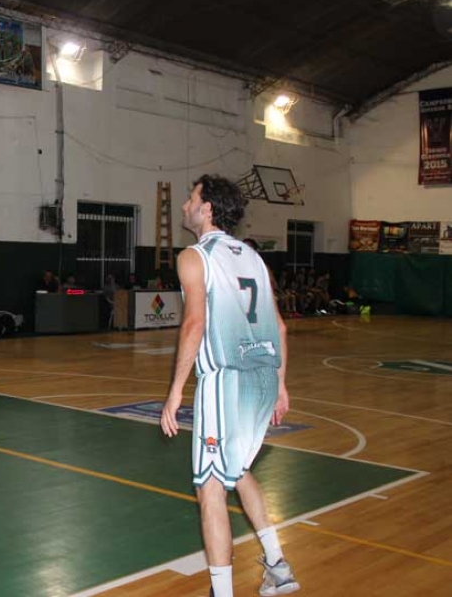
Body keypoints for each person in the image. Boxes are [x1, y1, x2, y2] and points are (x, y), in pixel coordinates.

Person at [160, 175, 298, 597]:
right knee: (237, 471)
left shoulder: (194, 257)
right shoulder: (254, 257)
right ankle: (277, 565)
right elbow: (279, 326)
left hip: (227, 382)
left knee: (210, 488)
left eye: (191, 197)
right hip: (262, 378)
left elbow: (195, 324)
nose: (184, 204)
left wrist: (175, 390)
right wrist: (280, 386)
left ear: (208, 209)